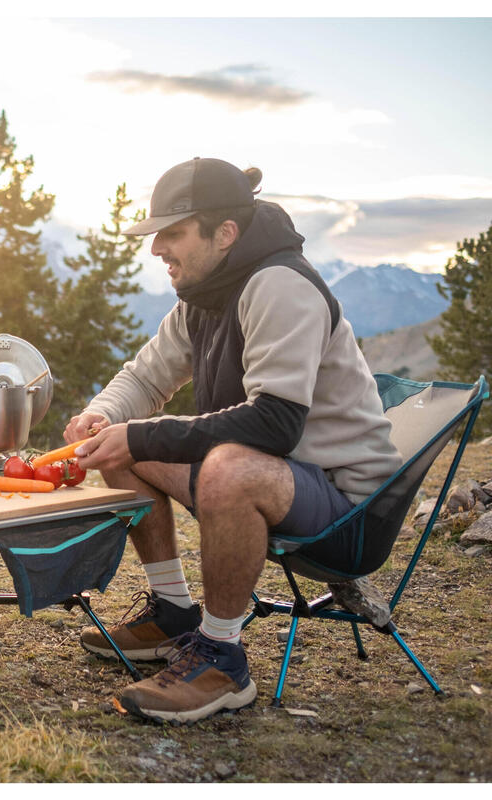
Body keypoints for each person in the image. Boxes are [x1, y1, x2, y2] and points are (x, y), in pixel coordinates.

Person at [63, 157, 402, 724]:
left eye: (171, 235)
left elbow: (275, 424)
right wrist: (101, 416)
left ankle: (222, 658)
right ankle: (173, 613)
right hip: (285, 481)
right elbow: (146, 378)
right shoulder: (204, 295)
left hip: (349, 513)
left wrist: (141, 433)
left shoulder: (280, 286)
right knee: (126, 446)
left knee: (223, 464)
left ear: (225, 234)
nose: (156, 251)